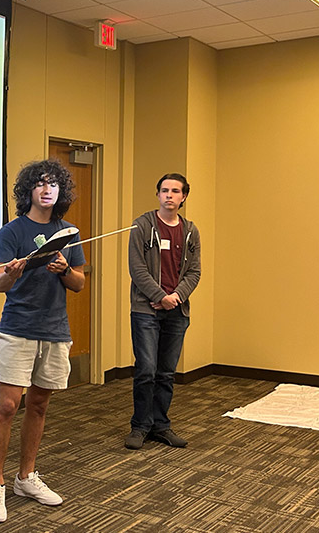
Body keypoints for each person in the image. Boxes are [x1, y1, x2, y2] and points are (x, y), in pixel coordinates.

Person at [0, 160, 86, 523]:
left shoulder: (68, 232)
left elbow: (79, 284)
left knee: (39, 406)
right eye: (41, 183)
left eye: (54, 184)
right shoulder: (11, 232)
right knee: (9, 406)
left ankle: (25, 477)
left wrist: (65, 271)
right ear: (29, 189)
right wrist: (12, 272)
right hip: (18, 327)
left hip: (55, 330)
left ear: (61, 192)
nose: (47, 189)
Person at [124, 173, 201, 450]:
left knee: (166, 372)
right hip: (146, 310)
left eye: (175, 191)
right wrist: (159, 297)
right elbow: (137, 268)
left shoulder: (191, 231)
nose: (169, 195)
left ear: (183, 197)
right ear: (157, 194)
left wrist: (176, 297)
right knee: (146, 369)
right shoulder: (142, 226)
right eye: (164, 190)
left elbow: (194, 271)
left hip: (177, 312)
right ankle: (140, 426)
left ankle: (161, 425)